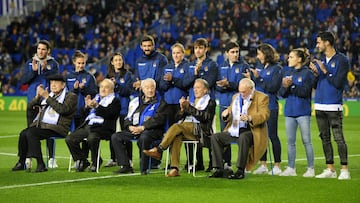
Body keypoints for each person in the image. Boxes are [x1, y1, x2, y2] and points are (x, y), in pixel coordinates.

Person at [144, 78, 216, 177]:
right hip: (186, 129)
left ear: (205, 90)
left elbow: (204, 118)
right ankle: (174, 168)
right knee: (176, 135)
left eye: (198, 88)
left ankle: (159, 149)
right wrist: (182, 110)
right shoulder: (191, 101)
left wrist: (189, 108)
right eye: (194, 88)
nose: (195, 90)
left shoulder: (210, 102)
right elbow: (177, 118)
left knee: (177, 127)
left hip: (200, 131)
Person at [12, 74, 77, 172]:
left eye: (56, 83)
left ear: (63, 85)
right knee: (23, 133)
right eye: (51, 83)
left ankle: (40, 163)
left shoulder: (71, 96)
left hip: (58, 127)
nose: (53, 85)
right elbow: (30, 108)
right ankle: (21, 162)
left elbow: (63, 110)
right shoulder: (49, 95)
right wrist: (37, 97)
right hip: (44, 126)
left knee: (31, 133)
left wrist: (47, 97)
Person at [309, 31, 351, 180]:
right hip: (319, 104)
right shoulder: (320, 61)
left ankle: (345, 170)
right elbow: (315, 85)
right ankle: (330, 169)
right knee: (325, 138)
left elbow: (338, 83)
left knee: (338, 138)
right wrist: (315, 74)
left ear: (327, 42)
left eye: (319, 42)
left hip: (333, 105)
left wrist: (325, 71)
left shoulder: (342, 60)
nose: (317, 45)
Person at [209, 78, 270, 179]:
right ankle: (219, 168)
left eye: (244, 92)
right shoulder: (236, 97)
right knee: (216, 137)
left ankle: (240, 170)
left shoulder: (262, 97)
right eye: (240, 91)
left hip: (252, 131)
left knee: (243, 137)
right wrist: (226, 115)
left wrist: (250, 118)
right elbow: (230, 110)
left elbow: (265, 115)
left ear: (251, 89)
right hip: (234, 130)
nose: (242, 94)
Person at [111, 78, 167, 175]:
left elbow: (158, 120)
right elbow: (128, 118)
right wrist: (129, 127)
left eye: (152, 87)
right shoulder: (136, 101)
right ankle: (125, 165)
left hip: (153, 131)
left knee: (144, 137)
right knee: (116, 136)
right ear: (142, 89)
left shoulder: (161, 102)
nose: (150, 90)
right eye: (147, 87)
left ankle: (144, 168)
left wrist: (143, 127)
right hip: (136, 130)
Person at [65, 79, 120, 172]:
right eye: (101, 87)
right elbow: (84, 115)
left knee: (92, 138)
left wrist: (97, 106)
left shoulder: (115, 101)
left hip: (103, 128)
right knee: (70, 139)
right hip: (88, 125)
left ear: (111, 89)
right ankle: (82, 160)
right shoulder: (96, 98)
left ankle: (95, 162)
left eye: (106, 87)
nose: (103, 89)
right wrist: (86, 107)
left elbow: (110, 114)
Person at [20, 39, 60, 168]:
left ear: (48, 51)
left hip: (47, 102)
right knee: (30, 130)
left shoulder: (53, 64)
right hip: (33, 101)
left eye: (43, 49)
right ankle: (29, 159)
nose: (40, 51)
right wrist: (34, 71)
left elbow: (56, 80)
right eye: (39, 49)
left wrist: (44, 70)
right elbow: (24, 80)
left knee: (49, 130)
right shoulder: (29, 63)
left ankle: (51, 159)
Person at [245, 43, 283, 175]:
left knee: (272, 136)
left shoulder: (277, 68)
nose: (257, 56)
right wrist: (251, 80)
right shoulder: (261, 67)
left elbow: (272, 87)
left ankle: (277, 165)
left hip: (270, 106)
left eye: (259, 53)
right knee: (260, 137)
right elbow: (258, 87)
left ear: (266, 54)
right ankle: (263, 164)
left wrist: (258, 78)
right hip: (258, 108)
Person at [278, 48, 316, 177]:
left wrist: (291, 85)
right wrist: (284, 86)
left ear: (299, 59)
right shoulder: (287, 72)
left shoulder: (308, 73)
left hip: (303, 112)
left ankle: (311, 169)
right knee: (290, 142)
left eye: (291, 57)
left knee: (306, 140)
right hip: (289, 112)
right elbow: (282, 94)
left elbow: (304, 92)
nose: (288, 59)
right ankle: (291, 168)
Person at [183, 37, 218, 172]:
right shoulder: (190, 64)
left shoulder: (212, 64)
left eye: (200, 48)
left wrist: (198, 74)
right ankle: (199, 163)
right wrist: (194, 74)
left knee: (209, 132)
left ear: (206, 49)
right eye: (196, 48)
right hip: (194, 102)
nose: (198, 50)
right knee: (195, 134)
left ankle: (212, 162)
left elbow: (209, 82)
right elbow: (186, 83)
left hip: (208, 103)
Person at [216, 41, 250, 169]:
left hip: (240, 108)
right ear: (226, 53)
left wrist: (228, 84)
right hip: (224, 106)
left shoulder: (243, 66)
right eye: (232, 52)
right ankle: (227, 163)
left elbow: (244, 86)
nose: (235, 54)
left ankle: (244, 164)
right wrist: (223, 86)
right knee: (225, 135)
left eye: (237, 51)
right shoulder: (221, 66)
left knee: (242, 135)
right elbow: (217, 86)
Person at [66, 50, 98, 169]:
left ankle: (82, 160)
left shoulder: (89, 77)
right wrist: (74, 90)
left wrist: (83, 90)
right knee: (73, 137)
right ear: (74, 62)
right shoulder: (69, 77)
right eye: (79, 63)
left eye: (83, 63)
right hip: (73, 112)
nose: (81, 65)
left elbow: (94, 94)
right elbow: (67, 94)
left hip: (85, 112)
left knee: (85, 138)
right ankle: (80, 160)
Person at [105, 52, 135, 167]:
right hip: (112, 110)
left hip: (124, 109)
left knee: (125, 134)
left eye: (120, 60)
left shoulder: (128, 75)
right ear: (112, 62)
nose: (118, 62)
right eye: (116, 60)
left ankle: (129, 159)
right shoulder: (108, 76)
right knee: (112, 134)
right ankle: (113, 159)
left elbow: (128, 91)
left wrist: (116, 85)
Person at [159, 43, 190, 126]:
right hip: (168, 103)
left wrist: (172, 80)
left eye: (178, 53)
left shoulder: (188, 66)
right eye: (174, 53)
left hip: (181, 103)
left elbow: (186, 84)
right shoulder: (167, 67)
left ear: (183, 53)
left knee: (180, 129)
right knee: (169, 129)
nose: (176, 55)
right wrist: (169, 82)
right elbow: (162, 86)